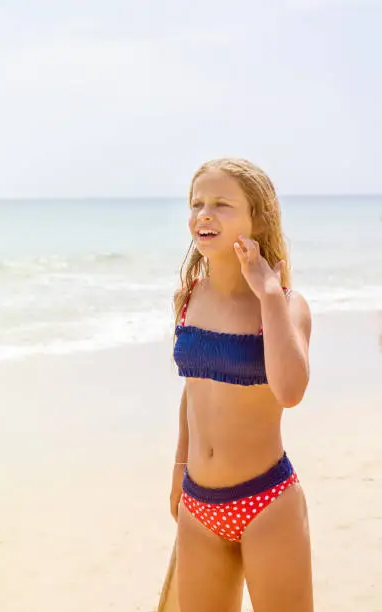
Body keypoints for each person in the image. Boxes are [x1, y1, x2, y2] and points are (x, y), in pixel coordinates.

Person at [170, 158, 314, 612]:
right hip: (198, 504)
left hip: (266, 502)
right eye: (197, 204)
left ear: (257, 218)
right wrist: (178, 465)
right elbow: (194, 389)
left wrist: (267, 293)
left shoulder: (287, 305)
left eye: (221, 204)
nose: (204, 214)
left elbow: (290, 391)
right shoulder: (189, 296)